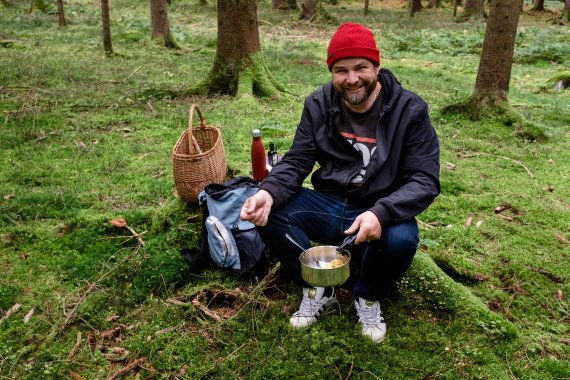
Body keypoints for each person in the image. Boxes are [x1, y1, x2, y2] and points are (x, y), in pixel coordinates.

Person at [240, 22, 440, 343]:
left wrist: (382, 213)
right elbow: (298, 159)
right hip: (331, 204)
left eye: (361, 67)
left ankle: (368, 295)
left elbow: (425, 180)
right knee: (270, 210)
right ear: (331, 71)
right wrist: (268, 191)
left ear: (376, 65)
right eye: (341, 70)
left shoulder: (409, 110)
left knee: (401, 240)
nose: (351, 79)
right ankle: (319, 287)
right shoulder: (319, 104)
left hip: (380, 209)